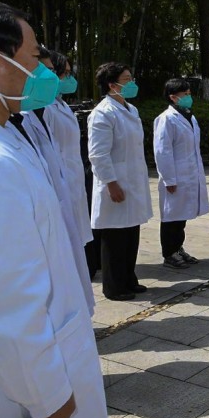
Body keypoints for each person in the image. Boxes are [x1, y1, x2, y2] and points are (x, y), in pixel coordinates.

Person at [0, 0, 116, 418]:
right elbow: (5, 301)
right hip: (18, 399)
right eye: (31, 61)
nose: (41, 72)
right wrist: (46, 396)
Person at [17, 48, 94, 313]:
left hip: (69, 184)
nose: (51, 77)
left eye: (53, 71)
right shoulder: (28, 115)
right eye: (48, 70)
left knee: (74, 261)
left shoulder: (52, 107)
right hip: (50, 202)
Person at [88, 62, 152, 301]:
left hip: (132, 181)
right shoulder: (102, 113)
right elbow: (98, 154)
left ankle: (128, 278)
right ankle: (114, 286)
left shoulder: (130, 109)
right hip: (115, 183)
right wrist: (111, 183)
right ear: (112, 85)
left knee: (130, 233)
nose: (132, 82)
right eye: (127, 79)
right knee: (114, 237)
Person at [42, 50, 96, 297]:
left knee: (77, 246)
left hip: (74, 181)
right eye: (62, 73)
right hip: (59, 186)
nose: (67, 79)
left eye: (66, 74)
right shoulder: (45, 110)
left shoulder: (60, 104)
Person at [153, 78, 209, 268]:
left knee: (181, 216)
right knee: (171, 217)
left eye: (189, 93)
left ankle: (178, 248)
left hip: (189, 174)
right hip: (175, 176)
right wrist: (169, 179)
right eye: (185, 94)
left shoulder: (189, 116)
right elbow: (162, 151)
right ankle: (169, 253)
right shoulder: (166, 119)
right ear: (173, 97)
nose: (189, 97)